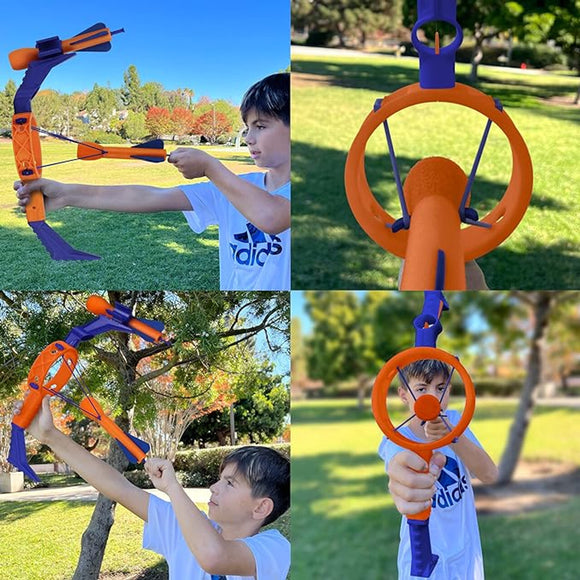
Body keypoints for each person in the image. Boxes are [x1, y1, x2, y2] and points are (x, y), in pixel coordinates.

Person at [14, 73, 290, 291]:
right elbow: (149, 197)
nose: (249, 138)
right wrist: (66, 194)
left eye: (261, 126)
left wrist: (209, 166)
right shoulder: (233, 188)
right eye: (247, 128)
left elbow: (272, 216)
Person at [15, 396, 290, 579]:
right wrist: (50, 436)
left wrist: (172, 487)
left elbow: (214, 556)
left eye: (229, 483)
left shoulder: (273, 549)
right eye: (219, 478)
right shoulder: (186, 526)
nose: (213, 488)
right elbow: (118, 487)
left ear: (262, 507)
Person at [379, 359, 498, 579]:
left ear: (449, 391)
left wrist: (452, 437)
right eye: (422, 389)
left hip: (466, 553)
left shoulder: (455, 422)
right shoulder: (396, 440)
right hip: (421, 557)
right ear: (404, 394)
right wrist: (401, 485)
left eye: (440, 388)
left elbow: (490, 474)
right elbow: (398, 471)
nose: (433, 397)